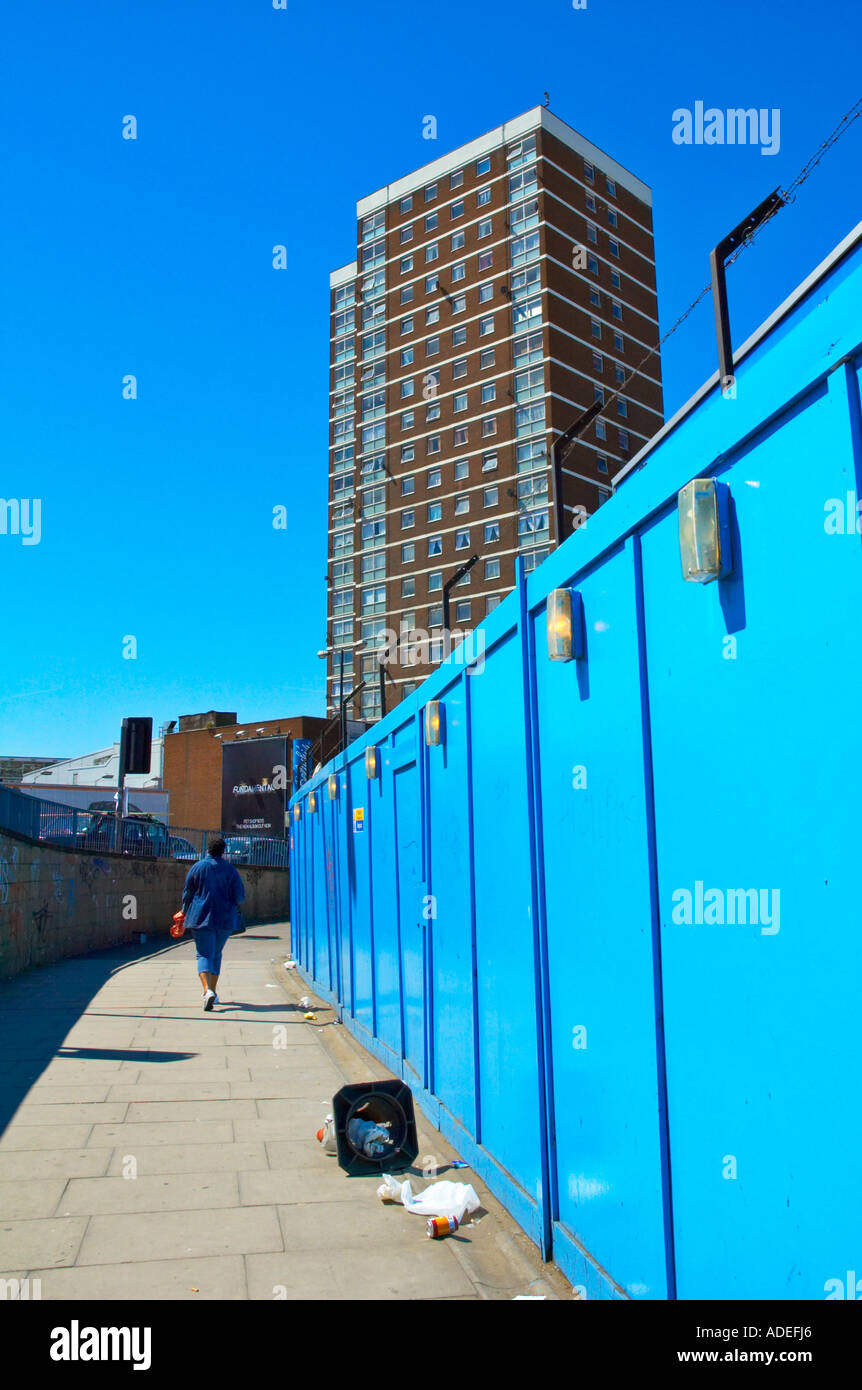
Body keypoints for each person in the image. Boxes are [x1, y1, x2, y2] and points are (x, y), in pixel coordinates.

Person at [181, 838, 245, 1010]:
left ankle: (206, 990)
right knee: (216, 954)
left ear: (208, 849)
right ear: (223, 851)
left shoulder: (198, 867)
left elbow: (188, 892)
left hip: (200, 916)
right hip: (225, 917)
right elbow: (239, 896)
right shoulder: (230, 870)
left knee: (203, 954)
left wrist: (184, 911)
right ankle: (214, 992)